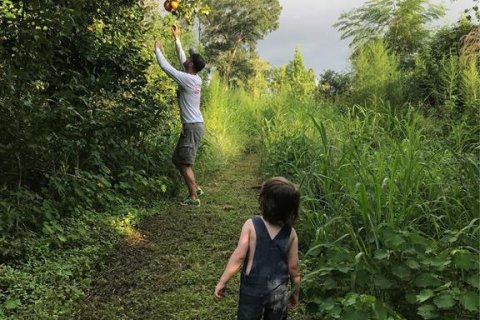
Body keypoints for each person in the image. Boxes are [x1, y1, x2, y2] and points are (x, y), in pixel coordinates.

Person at [214, 177, 301, 320]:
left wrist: (223, 281)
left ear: (264, 201)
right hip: (279, 290)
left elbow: (238, 257)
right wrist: (295, 292)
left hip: (252, 287)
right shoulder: (291, 233)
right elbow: (294, 268)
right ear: (291, 209)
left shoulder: (251, 225)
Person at [154, 25, 206, 207]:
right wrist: (176, 38)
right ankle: (195, 187)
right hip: (194, 125)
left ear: (191, 64)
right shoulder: (194, 77)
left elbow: (166, 67)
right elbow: (181, 57)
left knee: (183, 162)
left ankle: (193, 198)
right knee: (179, 159)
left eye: (190, 59)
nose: (187, 59)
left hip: (192, 126)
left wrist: (157, 50)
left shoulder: (188, 79)